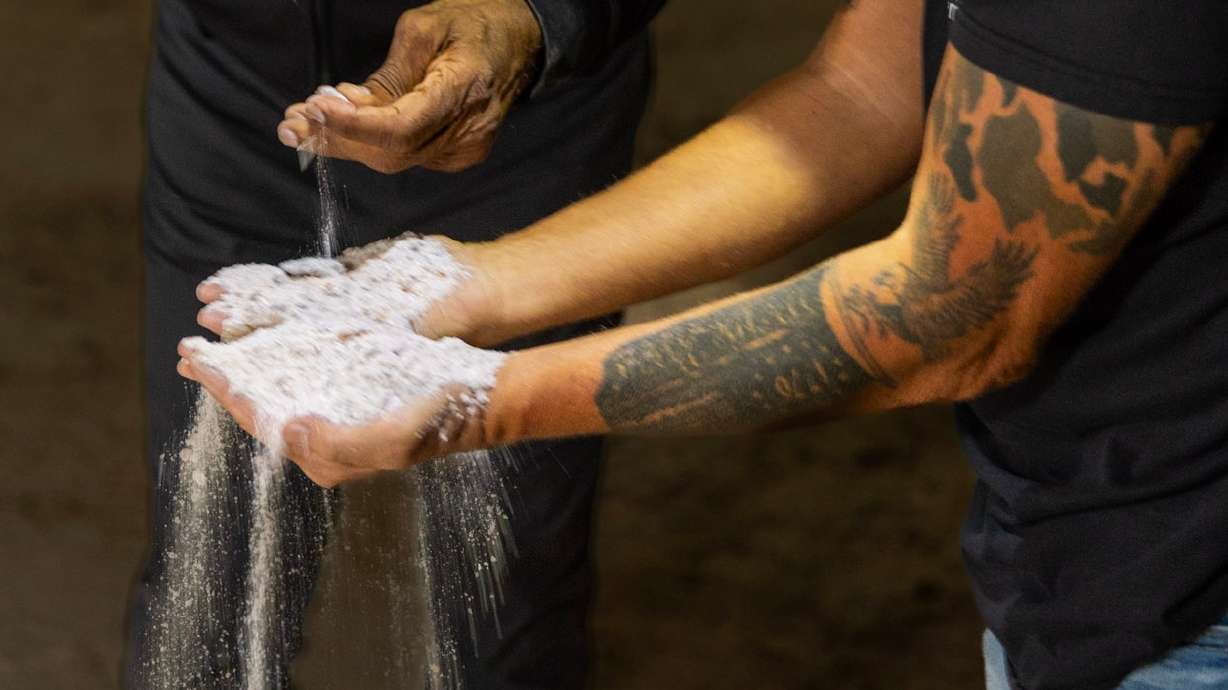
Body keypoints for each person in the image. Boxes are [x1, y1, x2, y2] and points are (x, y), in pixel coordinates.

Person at [184, 1, 1228, 688]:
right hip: (1083, 521)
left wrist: (482, 396)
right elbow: (866, 92)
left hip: (1192, 594)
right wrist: (472, 283)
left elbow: (956, 314)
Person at [126, 0, 666, 687]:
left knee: (504, 575)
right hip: (240, 83)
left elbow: (842, 106)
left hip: (520, 105)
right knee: (210, 565)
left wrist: (542, 17)